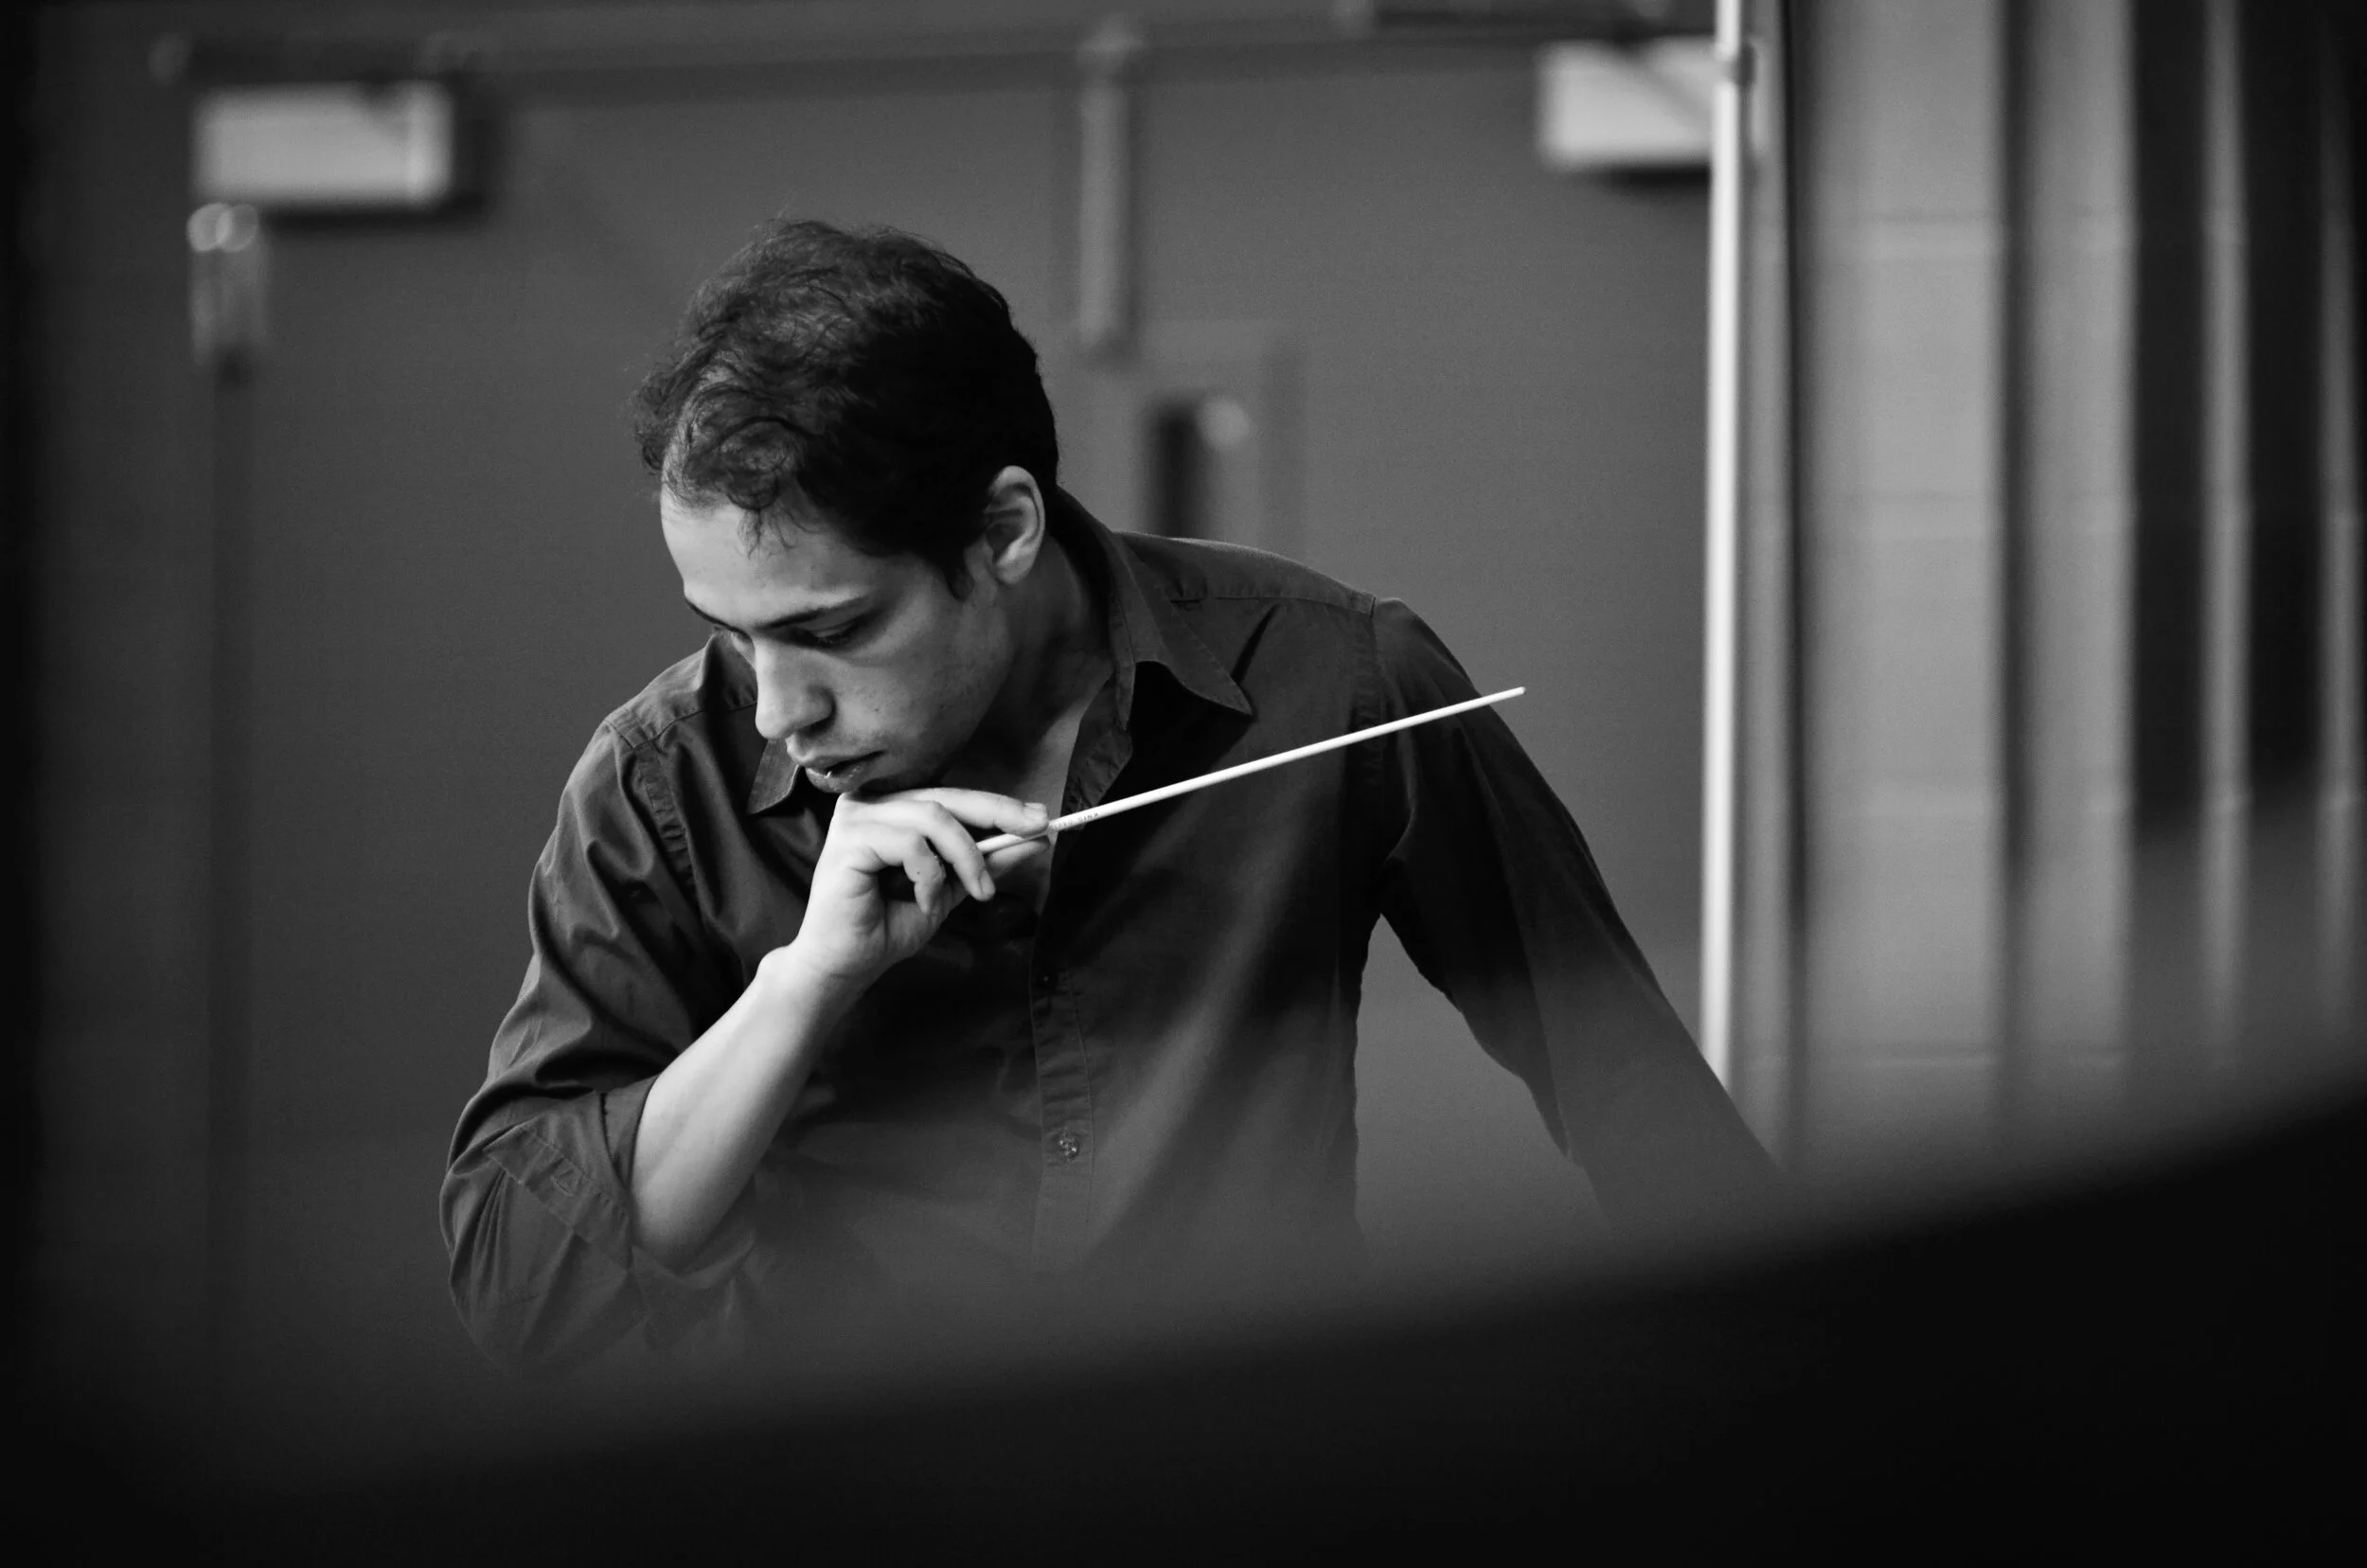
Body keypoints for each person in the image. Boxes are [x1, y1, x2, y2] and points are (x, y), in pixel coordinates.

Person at [440, 218, 1778, 1374]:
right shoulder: (664, 777)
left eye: (835, 632)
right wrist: (801, 989)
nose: (780, 710)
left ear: (1005, 531)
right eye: (735, 637)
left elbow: (1638, 1105)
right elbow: (521, 1293)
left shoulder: (1339, 680)